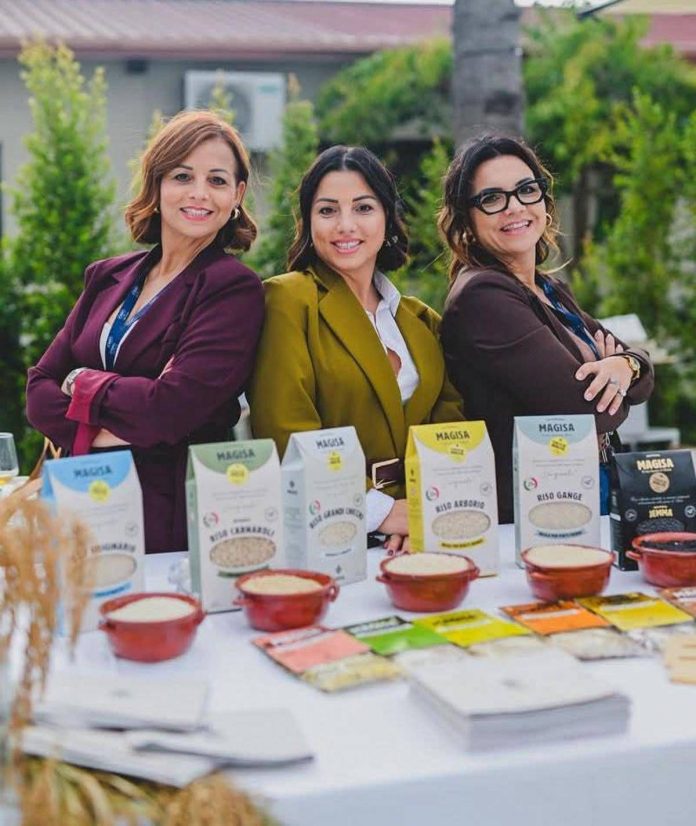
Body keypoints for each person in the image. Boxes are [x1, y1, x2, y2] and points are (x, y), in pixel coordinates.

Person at [26, 110, 264, 552]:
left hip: (165, 522)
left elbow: (168, 410)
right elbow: (39, 390)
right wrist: (124, 410)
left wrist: (81, 382)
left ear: (237, 194)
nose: (199, 193)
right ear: (156, 185)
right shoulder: (106, 276)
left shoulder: (232, 289)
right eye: (182, 176)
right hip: (78, 506)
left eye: (216, 180)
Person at [248, 145, 463, 553]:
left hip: (418, 534)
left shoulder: (421, 320)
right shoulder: (288, 300)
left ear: (388, 219)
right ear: (308, 222)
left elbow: (449, 429)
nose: (345, 225)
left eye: (363, 208)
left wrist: (420, 512)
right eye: (327, 210)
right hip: (329, 533)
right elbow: (286, 432)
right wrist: (382, 512)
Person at [438, 134, 654, 523]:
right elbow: (584, 412)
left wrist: (625, 365)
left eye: (526, 190)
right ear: (467, 219)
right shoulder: (483, 298)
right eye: (492, 198)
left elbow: (644, 366)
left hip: (585, 490)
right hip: (533, 513)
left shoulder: (548, 289)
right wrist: (621, 379)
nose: (515, 206)